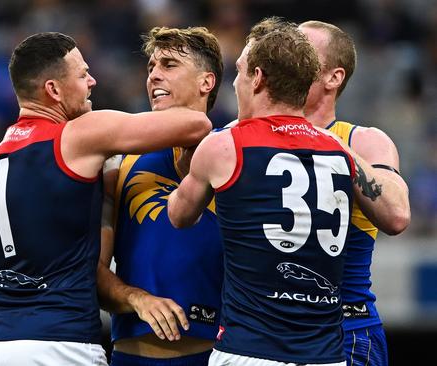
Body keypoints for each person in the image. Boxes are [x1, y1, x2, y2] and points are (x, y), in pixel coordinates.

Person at [0, 32, 212, 366]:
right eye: (83, 75)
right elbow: (197, 123)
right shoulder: (79, 136)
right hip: (57, 341)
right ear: (53, 90)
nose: (92, 81)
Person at [168, 18, 371, 365]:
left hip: (249, 349)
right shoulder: (340, 151)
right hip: (325, 354)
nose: (234, 83)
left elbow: (179, 214)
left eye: (241, 71)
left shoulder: (226, 145)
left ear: (258, 78)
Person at [96, 26, 224, 366]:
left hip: (216, 355)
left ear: (206, 82)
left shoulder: (233, 156)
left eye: (168, 65)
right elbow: (92, 272)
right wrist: (137, 299)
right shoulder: (118, 162)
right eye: (151, 67)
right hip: (130, 356)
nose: (153, 75)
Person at [299, 20, 411, 366]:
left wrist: (324, 141)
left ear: (334, 77)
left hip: (344, 330)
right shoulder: (250, 137)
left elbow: (396, 214)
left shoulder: (363, 140)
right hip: (267, 332)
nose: (287, 58)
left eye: (303, 52)